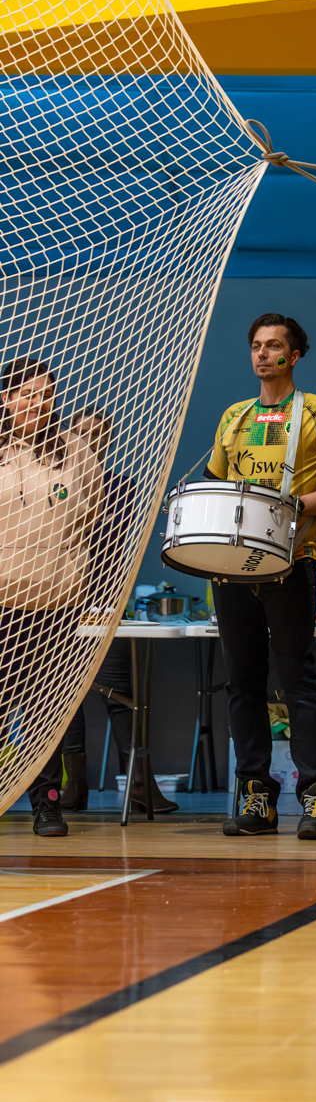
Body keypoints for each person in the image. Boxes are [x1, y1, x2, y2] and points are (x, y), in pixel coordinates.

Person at [208, 314, 316, 840]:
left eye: (274, 346)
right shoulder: (234, 416)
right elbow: (214, 486)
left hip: (292, 561)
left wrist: (295, 506)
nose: (262, 353)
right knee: (242, 683)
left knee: (299, 679)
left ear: (294, 356)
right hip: (233, 568)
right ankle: (255, 796)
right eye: (256, 345)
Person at [58, 408, 179, 815]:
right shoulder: (54, 484)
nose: (89, 443)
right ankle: (74, 784)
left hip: (102, 601)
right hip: (56, 600)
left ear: (107, 444)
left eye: (98, 436)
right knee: (61, 695)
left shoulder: (120, 487)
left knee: (119, 690)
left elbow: (105, 543)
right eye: (81, 434)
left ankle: (141, 782)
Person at [0, 358, 102, 837]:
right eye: (27, 394)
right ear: (6, 399)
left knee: (46, 714)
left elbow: (93, 515)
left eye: (46, 394)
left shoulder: (75, 449)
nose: (38, 403)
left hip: (57, 603)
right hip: (3, 600)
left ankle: (47, 805)